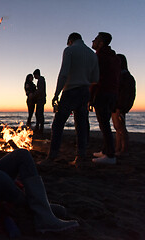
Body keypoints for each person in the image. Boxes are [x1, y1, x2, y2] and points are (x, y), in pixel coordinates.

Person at [46, 32, 99, 165]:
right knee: (81, 125)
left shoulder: (69, 50)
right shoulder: (92, 54)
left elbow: (63, 73)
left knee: (58, 124)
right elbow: (95, 78)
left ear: (70, 40)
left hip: (70, 91)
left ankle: (52, 156)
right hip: (85, 91)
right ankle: (80, 156)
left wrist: (56, 93)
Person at [90, 32, 121, 164]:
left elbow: (95, 78)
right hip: (112, 93)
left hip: (102, 93)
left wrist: (90, 97)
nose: (93, 40)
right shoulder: (114, 57)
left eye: (96, 39)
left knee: (104, 124)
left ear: (101, 43)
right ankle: (105, 150)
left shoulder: (99, 57)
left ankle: (110, 155)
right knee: (105, 123)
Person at [111, 54, 136, 156]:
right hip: (116, 105)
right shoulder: (121, 76)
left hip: (120, 105)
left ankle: (124, 149)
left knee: (120, 127)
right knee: (117, 127)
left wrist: (122, 107)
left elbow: (127, 94)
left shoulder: (125, 77)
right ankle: (118, 148)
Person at [33, 69, 47, 135]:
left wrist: (34, 94)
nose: (34, 77)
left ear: (36, 74)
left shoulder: (40, 80)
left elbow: (40, 90)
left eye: (34, 75)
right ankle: (38, 128)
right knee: (39, 114)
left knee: (39, 114)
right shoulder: (41, 80)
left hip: (40, 99)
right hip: (41, 99)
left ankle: (40, 129)